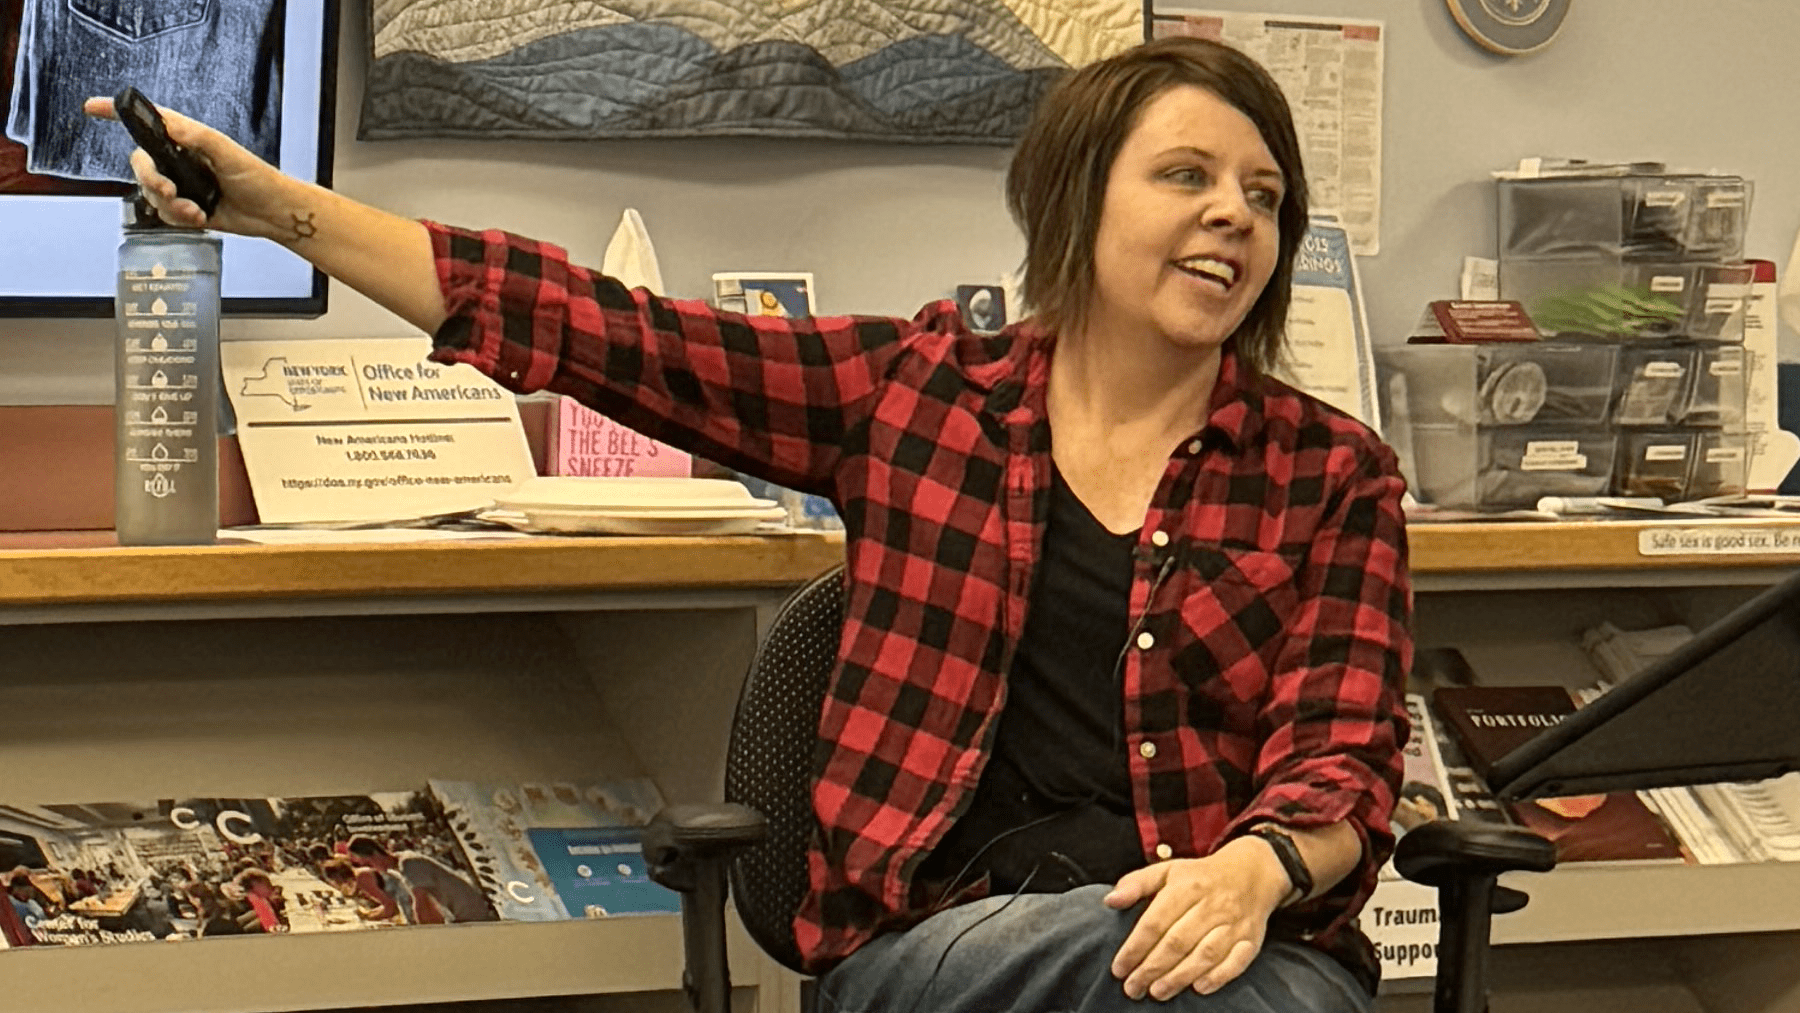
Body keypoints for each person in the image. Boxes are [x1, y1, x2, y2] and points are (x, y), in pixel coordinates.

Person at [87, 33, 1410, 1011]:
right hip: (949, 935)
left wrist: (1251, 871)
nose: (1233, 213)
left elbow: (1343, 759)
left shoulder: (1332, 476)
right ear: (1079, 197)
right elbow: (596, 329)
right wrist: (272, 208)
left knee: (1255, 994)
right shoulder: (917, 396)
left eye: (1264, 194)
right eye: (1187, 174)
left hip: (1226, 927)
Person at [343, 836, 496, 925]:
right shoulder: (402, 862)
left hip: (474, 918)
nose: (373, 869)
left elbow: (422, 904)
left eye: (369, 863)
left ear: (375, 854)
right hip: (463, 916)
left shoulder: (409, 864)